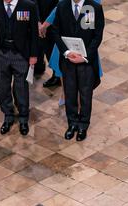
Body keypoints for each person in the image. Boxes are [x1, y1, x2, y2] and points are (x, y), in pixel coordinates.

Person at [50, 0, 104, 141]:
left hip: (86, 62)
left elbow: (97, 36)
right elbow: (55, 31)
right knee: (70, 93)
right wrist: (67, 53)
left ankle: (83, 126)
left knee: (85, 96)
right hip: (68, 61)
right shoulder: (62, 6)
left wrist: (85, 57)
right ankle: (72, 123)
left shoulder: (93, 7)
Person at [0, 0, 39, 136]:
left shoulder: (28, 5)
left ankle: (23, 118)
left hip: (21, 54)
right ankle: (8, 116)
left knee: (21, 87)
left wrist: (34, 54)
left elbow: (34, 31)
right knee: (3, 87)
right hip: (1, 53)